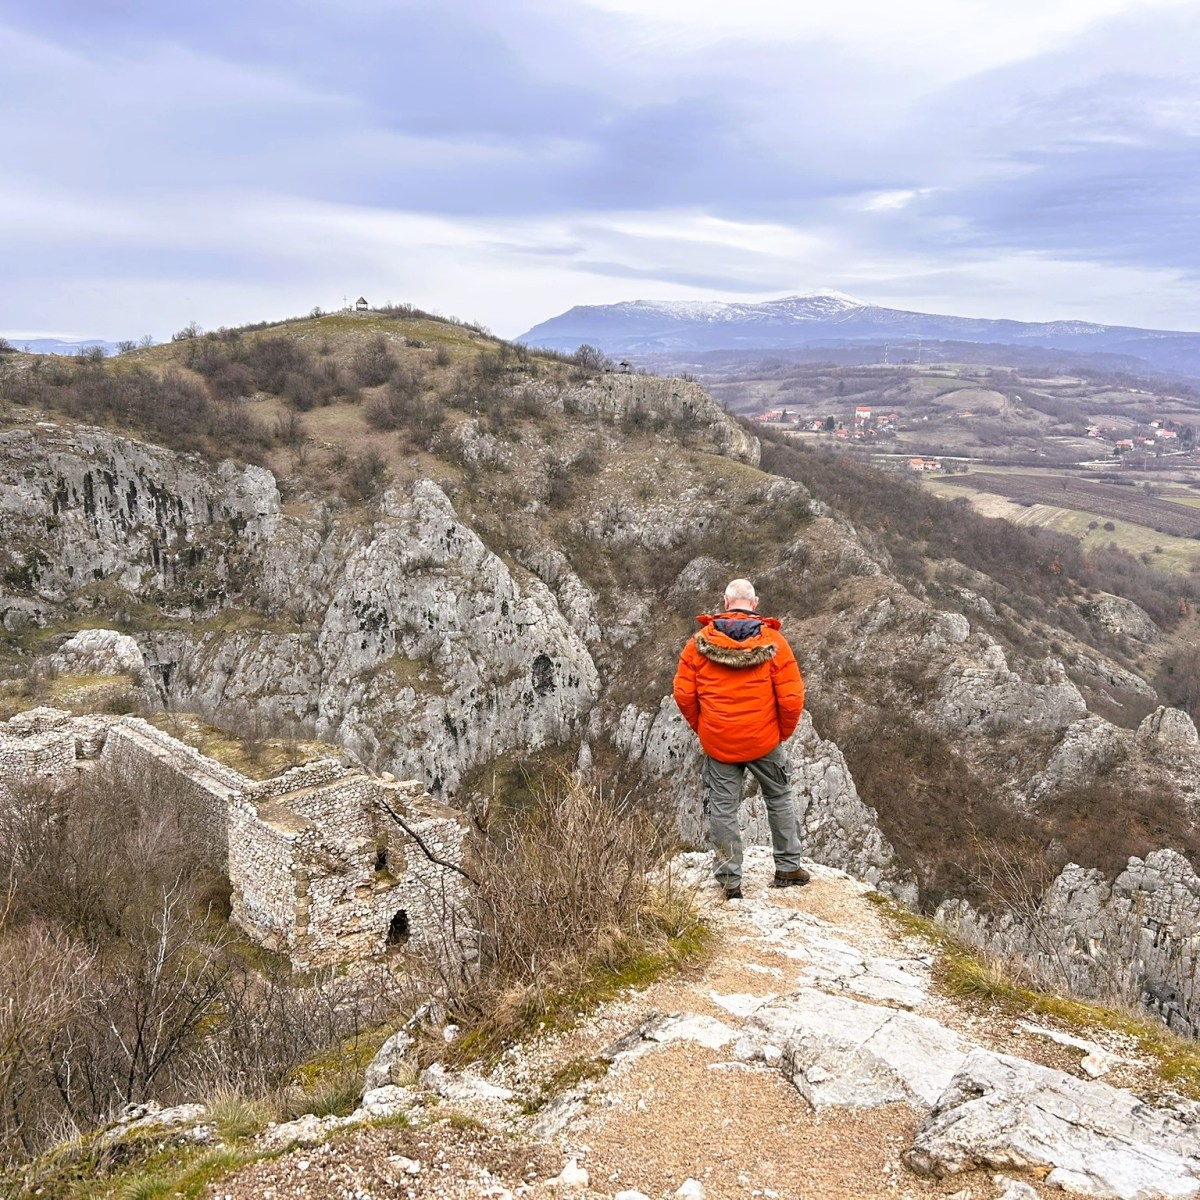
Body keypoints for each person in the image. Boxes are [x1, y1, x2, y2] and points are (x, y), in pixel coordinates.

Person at [672, 578, 809, 900]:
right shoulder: (774, 642)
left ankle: (730, 880)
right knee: (779, 797)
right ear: (755, 603)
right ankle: (788, 867)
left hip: (720, 741)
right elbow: (791, 698)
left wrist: (704, 726)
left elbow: (682, 693)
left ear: (725, 602)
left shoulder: (698, 643)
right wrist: (781, 734)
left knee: (722, 808)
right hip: (764, 739)